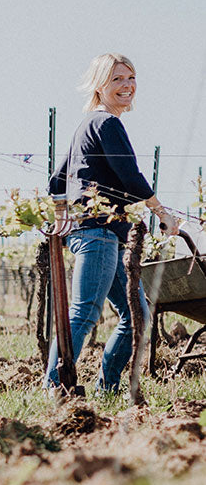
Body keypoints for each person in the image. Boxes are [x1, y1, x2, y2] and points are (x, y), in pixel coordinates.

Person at [46, 53, 179, 393]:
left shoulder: (86, 126)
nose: (127, 86)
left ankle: (108, 388)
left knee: (138, 315)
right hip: (98, 231)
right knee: (85, 313)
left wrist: (64, 218)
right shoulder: (105, 123)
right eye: (117, 79)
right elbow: (130, 176)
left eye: (131, 78)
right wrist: (162, 213)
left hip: (103, 234)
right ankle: (53, 387)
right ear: (99, 85)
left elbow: (56, 181)